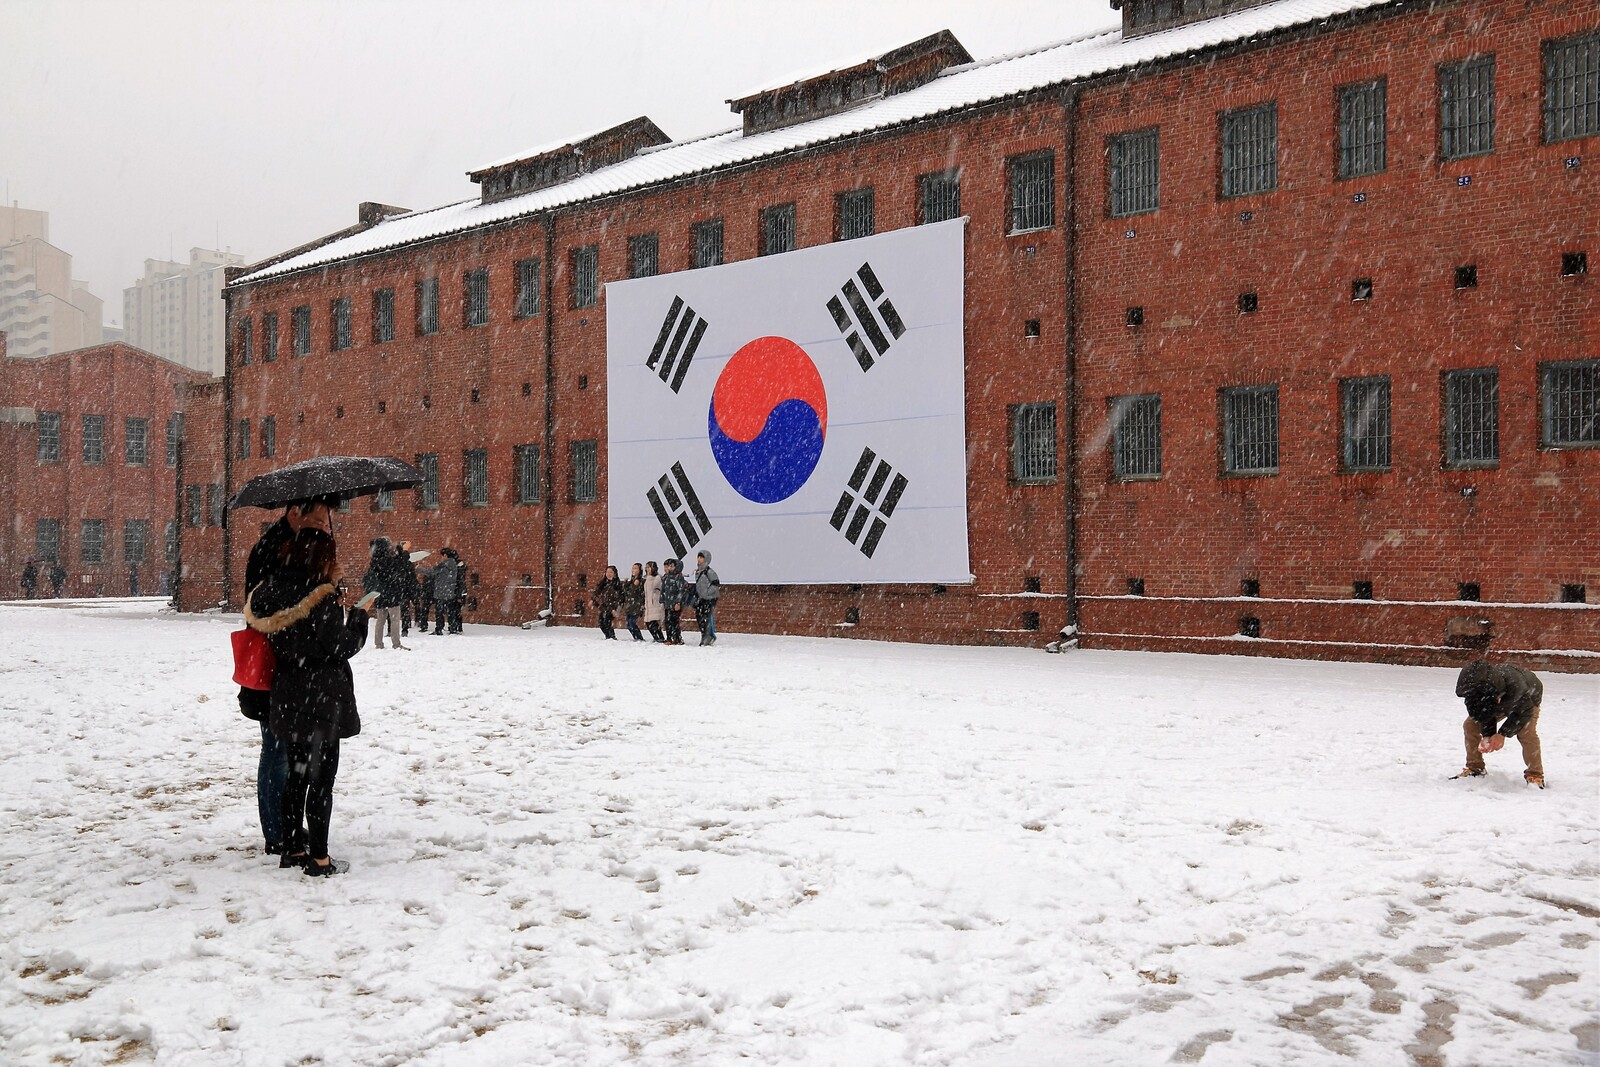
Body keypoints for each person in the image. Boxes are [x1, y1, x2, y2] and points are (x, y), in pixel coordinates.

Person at [246, 527, 369, 876]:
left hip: (288, 693)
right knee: (321, 779)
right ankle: (319, 859)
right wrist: (359, 616)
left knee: (297, 776)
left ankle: (292, 849)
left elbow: (299, 638)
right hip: (321, 697)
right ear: (320, 559)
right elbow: (341, 646)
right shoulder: (319, 597)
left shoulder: (272, 593)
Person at [240, 496, 336, 856]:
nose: (323, 528)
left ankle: (286, 829)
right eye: (319, 521)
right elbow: (266, 604)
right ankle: (278, 832)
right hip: (276, 665)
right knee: (276, 751)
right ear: (296, 513)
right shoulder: (275, 548)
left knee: (285, 753)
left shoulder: (291, 545)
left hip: (288, 667)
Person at [1452, 658, 1546, 788]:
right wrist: (1488, 735)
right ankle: (1475, 767)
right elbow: (1483, 713)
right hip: (1498, 697)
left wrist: (1502, 734)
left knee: (1526, 733)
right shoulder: (1478, 691)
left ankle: (1535, 775)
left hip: (1528, 701)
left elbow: (1524, 712)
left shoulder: (1516, 687)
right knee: (1470, 725)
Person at [362, 537, 408, 650]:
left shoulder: (374, 561)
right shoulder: (390, 560)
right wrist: (400, 552)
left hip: (379, 595)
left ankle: (378, 643)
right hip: (392, 594)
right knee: (394, 620)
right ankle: (396, 643)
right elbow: (402, 565)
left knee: (380, 620)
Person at [693, 549, 721, 646]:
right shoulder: (698, 571)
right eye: (698, 557)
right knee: (699, 616)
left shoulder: (709, 572)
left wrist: (708, 593)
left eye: (701, 557)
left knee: (706, 617)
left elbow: (716, 584)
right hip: (701, 598)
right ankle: (704, 635)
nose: (699, 559)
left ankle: (708, 636)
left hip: (710, 598)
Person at [432, 547, 462, 635]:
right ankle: (452, 628)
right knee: (451, 611)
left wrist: (418, 568)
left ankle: (439, 629)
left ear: (445, 555)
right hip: (450, 592)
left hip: (440, 592)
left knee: (439, 612)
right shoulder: (454, 565)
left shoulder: (443, 565)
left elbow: (432, 572)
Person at [659, 558, 686, 645]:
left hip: (675, 604)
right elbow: (663, 590)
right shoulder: (666, 577)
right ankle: (669, 638)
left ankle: (677, 638)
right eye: (669, 566)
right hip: (668, 604)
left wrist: (678, 602)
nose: (669, 568)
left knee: (674, 621)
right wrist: (662, 599)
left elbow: (681, 591)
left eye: (672, 566)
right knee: (667, 621)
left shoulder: (678, 577)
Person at [592, 565, 624, 640]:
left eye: (611, 572)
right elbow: (597, 591)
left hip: (613, 607)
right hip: (605, 606)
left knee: (607, 621)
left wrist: (616, 609)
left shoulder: (617, 584)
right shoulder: (604, 583)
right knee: (601, 622)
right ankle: (608, 636)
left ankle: (612, 637)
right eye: (607, 572)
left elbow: (620, 598)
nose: (608, 574)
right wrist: (592, 600)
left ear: (614, 573)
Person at [397, 542, 420, 636]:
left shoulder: (397, 564)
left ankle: (405, 627)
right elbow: (412, 577)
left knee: (404, 609)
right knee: (416, 604)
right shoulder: (409, 564)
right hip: (412, 587)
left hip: (402, 588)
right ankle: (418, 620)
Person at [642, 561, 666, 643]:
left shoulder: (657, 578)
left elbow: (655, 587)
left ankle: (660, 638)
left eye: (649, 567)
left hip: (655, 603)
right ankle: (657, 638)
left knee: (653, 622)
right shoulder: (646, 579)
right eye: (646, 567)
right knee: (649, 623)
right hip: (648, 603)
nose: (647, 569)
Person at [623, 562, 647, 641]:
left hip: (637, 605)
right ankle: (636, 637)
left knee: (632, 622)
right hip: (630, 605)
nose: (633, 570)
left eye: (636, 568)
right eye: (633, 568)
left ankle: (639, 638)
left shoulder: (642, 581)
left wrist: (637, 585)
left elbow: (640, 593)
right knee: (628, 624)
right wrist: (626, 583)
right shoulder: (631, 581)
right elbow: (626, 592)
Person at [415, 559, 436, 634]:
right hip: (434, 594)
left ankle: (423, 626)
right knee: (439, 611)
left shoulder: (426, 576)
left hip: (427, 595)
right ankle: (439, 626)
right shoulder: (436, 575)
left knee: (424, 611)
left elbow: (424, 586)